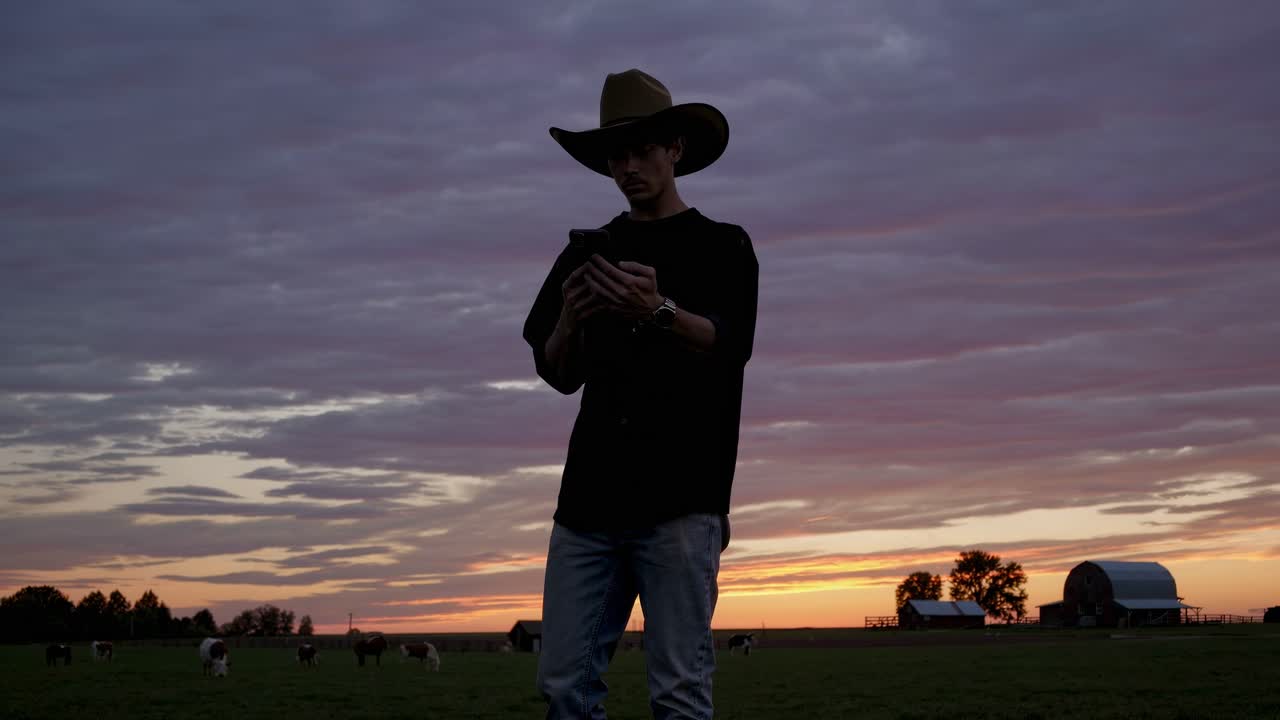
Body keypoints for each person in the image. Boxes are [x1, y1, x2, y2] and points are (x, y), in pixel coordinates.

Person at [522, 68, 759, 719]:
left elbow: (729, 343)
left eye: (642, 150)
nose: (626, 167)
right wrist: (570, 319)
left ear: (675, 148)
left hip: (682, 502)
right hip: (588, 502)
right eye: (614, 155)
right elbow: (556, 370)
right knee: (565, 685)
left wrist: (657, 310)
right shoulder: (587, 255)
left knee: (679, 691)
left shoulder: (724, 246)